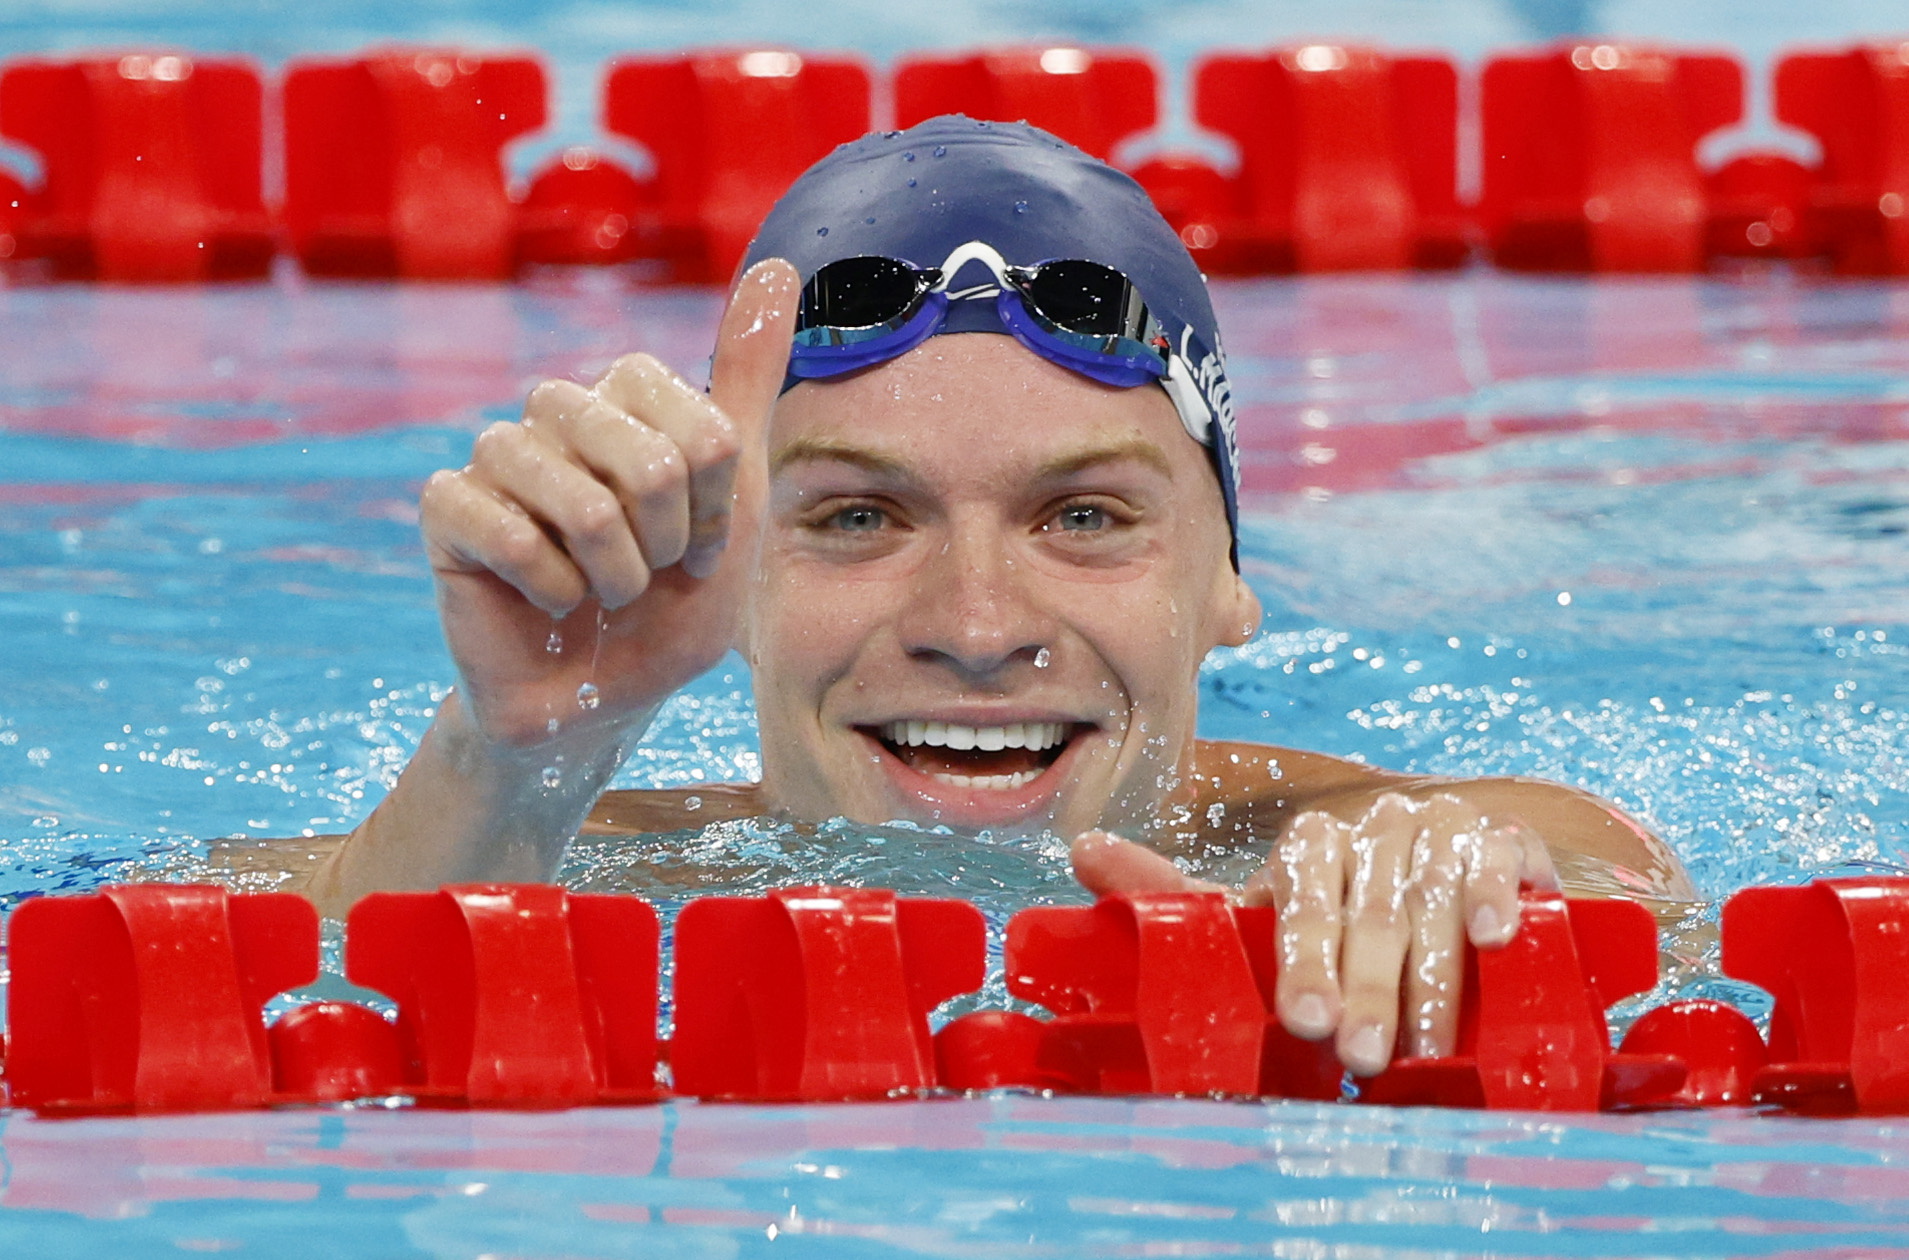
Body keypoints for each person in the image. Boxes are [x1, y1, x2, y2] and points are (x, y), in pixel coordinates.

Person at [300, 117, 1694, 1077]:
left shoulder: (1335, 838)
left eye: (1082, 517)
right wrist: (528, 753)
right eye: (857, 516)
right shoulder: (604, 861)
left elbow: (1610, 883)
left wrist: (1454, 892)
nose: (977, 627)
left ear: (1224, 581)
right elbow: (267, 968)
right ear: (739, 585)